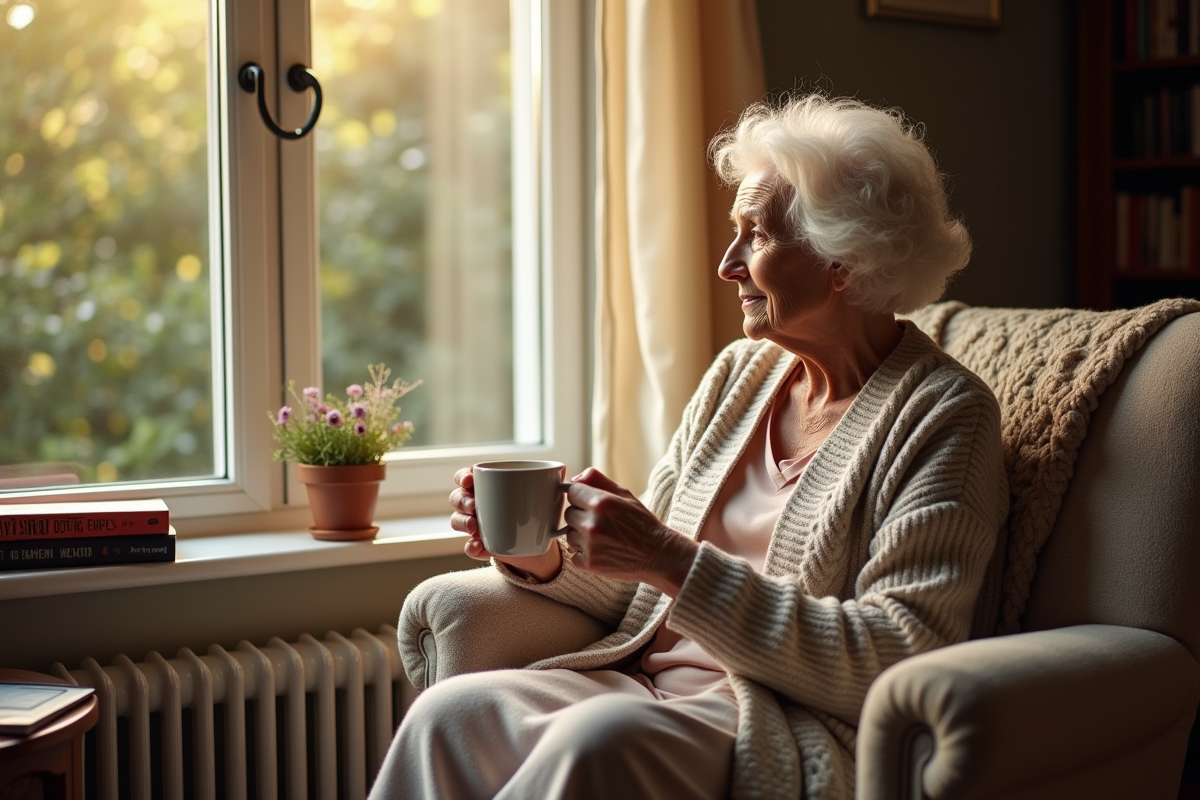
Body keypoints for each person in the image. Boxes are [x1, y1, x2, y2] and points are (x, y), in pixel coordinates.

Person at [367, 93, 1008, 800]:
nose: (729, 263)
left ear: (842, 260)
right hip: (643, 681)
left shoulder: (946, 414)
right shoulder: (741, 376)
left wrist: (666, 556)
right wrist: (544, 555)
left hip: (769, 715)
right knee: (446, 714)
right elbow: (650, 586)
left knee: (596, 742)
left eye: (757, 236)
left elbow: (900, 650)